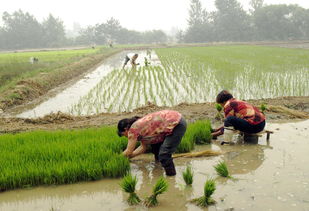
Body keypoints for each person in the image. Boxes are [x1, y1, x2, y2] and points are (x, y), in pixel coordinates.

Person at [117, 110, 187, 176]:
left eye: (123, 134)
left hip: (176, 124)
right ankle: (159, 169)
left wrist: (117, 158)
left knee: (164, 155)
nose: (126, 137)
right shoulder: (139, 127)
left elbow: (129, 151)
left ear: (126, 129)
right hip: (175, 119)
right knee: (156, 147)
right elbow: (143, 147)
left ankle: (171, 177)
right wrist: (129, 157)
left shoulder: (133, 130)